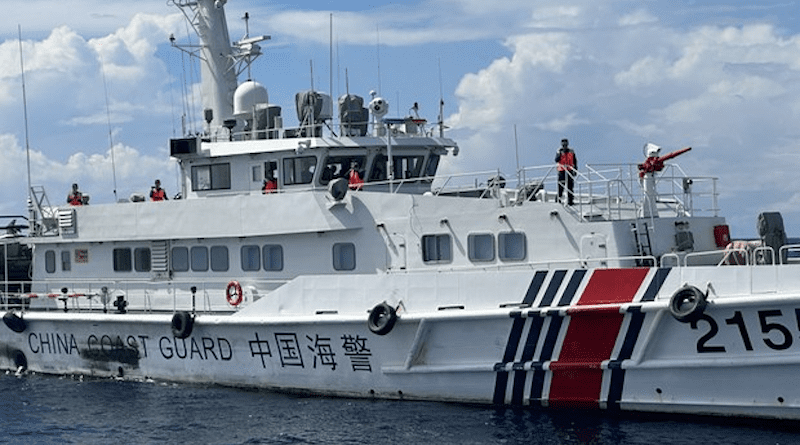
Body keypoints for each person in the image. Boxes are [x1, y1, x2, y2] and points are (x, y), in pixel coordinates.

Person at [555, 138, 577, 205]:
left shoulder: (571, 151)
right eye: (563, 143)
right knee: (561, 186)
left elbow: (575, 161)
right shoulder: (559, 151)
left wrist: (575, 169)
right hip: (561, 171)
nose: (564, 144)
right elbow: (556, 160)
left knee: (570, 186)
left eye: (565, 143)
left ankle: (570, 201)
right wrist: (560, 154)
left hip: (569, 170)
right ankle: (558, 199)